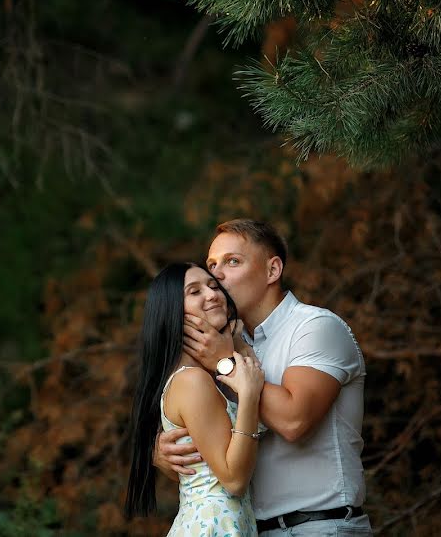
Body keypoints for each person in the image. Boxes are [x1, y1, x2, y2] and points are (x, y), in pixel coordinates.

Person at [155, 219, 371, 535]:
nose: (217, 275)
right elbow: (216, 455)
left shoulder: (315, 328)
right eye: (212, 265)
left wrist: (225, 363)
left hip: (320, 525)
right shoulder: (229, 344)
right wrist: (163, 453)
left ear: (272, 271)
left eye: (232, 261)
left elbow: (294, 421)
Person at [125, 262, 265, 537]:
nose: (212, 295)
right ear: (172, 312)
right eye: (194, 291)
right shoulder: (192, 381)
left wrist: (235, 343)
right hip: (214, 524)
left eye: (214, 286)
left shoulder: (196, 378)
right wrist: (248, 396)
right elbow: (234, 480)